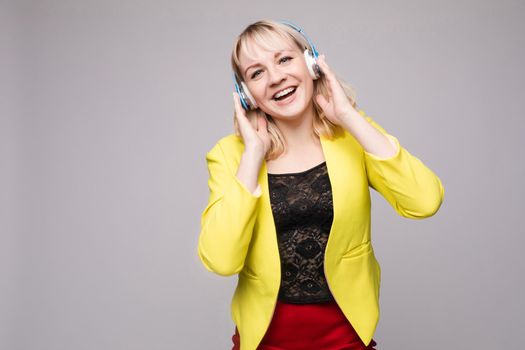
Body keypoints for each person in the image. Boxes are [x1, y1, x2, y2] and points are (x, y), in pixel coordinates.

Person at [197, 19, 444, 350]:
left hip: (347, 339)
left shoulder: (352, 136)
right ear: (246, 93)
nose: (275, 78)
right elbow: (221, 260)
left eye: (284, 59)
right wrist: (253, 155)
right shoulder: (231, 156)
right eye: (257, 73)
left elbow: (424, 201)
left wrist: (347, 115)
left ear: (311, 62)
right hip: (263, 342)